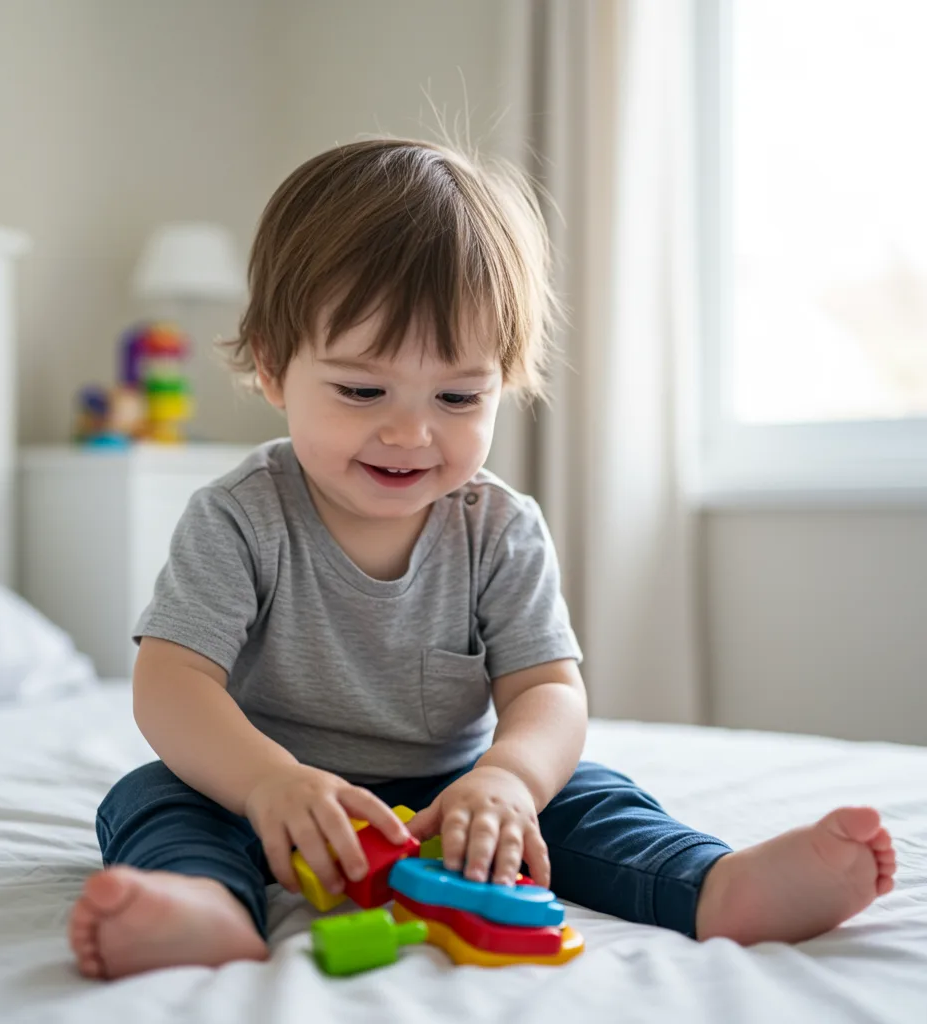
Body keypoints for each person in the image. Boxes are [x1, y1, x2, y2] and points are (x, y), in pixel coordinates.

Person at [68, 138, 896, 980]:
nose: (410, 432)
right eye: (362, 390)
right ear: (277, 370)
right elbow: (171, 682)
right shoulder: (238, 517)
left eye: (459, 397)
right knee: (150, 797)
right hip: (275, 797)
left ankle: (719, 885)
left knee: (588, 795)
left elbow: (547, 690)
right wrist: (266, 783)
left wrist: (507, 778)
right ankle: (206, 907)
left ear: (505, 382)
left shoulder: (498, 526)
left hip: (449, 799)